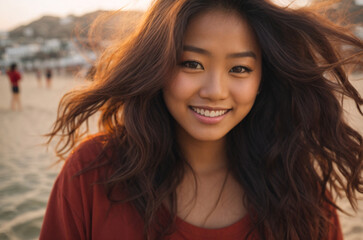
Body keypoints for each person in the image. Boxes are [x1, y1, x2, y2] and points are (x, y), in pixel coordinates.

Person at [40, 0, 363, 239]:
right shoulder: (92, 173)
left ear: (263, 79)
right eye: (192, 64)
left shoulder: (298, 185)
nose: (215, 91)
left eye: (239, 69)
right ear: (158, 65)